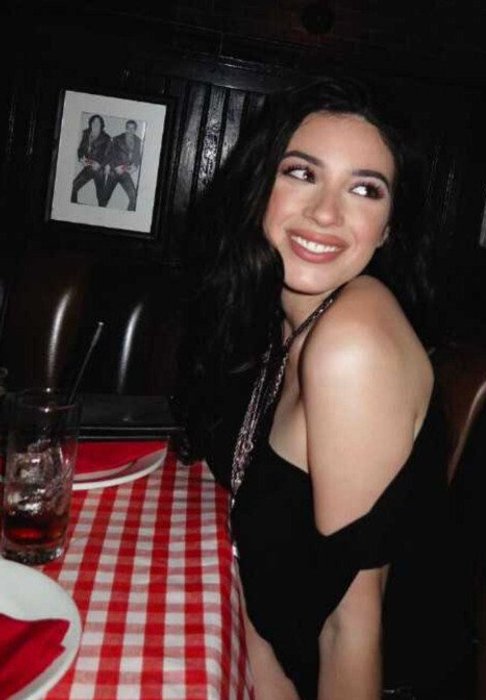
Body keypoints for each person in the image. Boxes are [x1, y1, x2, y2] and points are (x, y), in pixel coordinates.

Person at [177, 79, 463, 699]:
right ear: (260, 188)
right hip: (259, 646)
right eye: (302, 174)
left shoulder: (351, 342)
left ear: (387, 228)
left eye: (364, 189)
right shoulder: (279, 319)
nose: (326, 213)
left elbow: (349, 627)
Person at [102, 119, 143, 210]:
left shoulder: (138, 141)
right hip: (113, 173)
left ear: (135, 130)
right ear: (126, 128)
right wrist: (113, 166)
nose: (130, 131)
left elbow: (137, 157)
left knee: (134, 197)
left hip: (125, 173)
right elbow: (109, 154)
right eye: (128, 128)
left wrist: (135, 166)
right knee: (104, 198)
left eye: (132, 128)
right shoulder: (117, 139)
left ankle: (128, 217)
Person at [69, 114, 109, 205]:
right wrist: (81, 158)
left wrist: (100, 164)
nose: (95, 124)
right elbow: (80, 149)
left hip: (99, 170)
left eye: (98, 123)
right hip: (88, 167)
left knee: (101, 196)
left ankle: (101, 212)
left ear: (101, 125)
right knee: (73, 187)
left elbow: (108, 156)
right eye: (93, 122)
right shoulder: (86, 133)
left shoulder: (106, 138)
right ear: (90, 123)